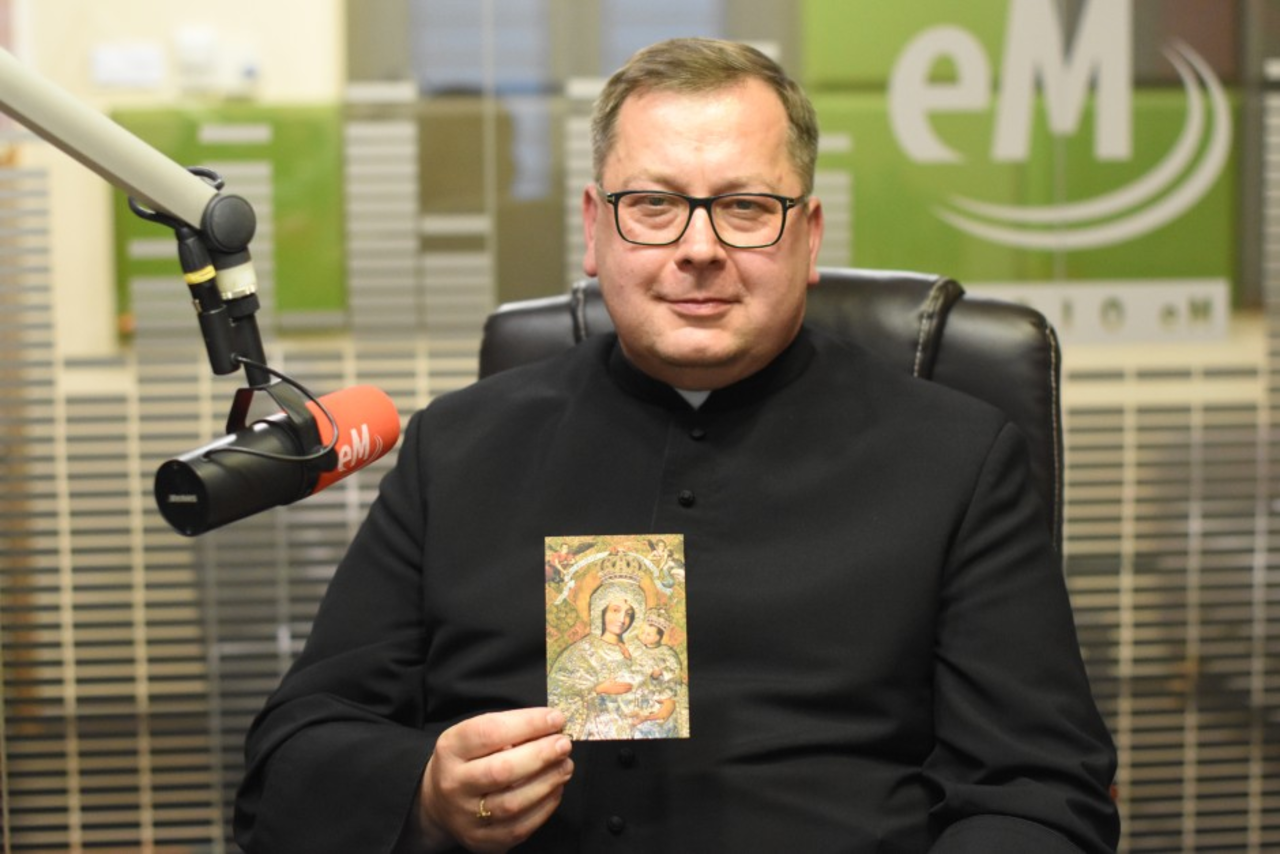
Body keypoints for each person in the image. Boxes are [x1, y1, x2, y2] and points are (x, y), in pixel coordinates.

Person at [234, 37, 1120, 853]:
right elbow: (293, 757)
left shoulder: (957, 461)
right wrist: (426, 793)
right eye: (653, 205)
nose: (699, 248)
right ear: (594, 228)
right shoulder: (457, 449)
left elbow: (1038, 793)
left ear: (809, 235)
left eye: (745, 207)